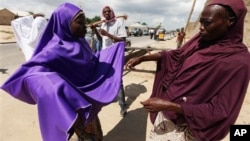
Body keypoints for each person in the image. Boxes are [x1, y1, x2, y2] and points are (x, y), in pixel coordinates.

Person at [126, 0, 250, 140]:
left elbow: (221, 110)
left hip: (186, 129)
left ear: (230, 21)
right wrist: (144, 58)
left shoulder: (238, 62)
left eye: (207, 23)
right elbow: (175, 55)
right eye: (201, 22)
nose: (201, 28)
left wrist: (172, 106)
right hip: (165, 116)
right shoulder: (200, 41)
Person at [1, 2, 125, 141]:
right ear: (64, 23)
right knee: (89, 137)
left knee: (96, 134)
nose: (85, 26)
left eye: (85, 22)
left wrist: (115, 51)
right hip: (72, 105)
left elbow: (93, 63)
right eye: (80, 23)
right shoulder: (53, 50)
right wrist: (54, 87)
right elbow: (31, 75)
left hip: (87, 100)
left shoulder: (81, 42)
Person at [91, 6, 128, 117]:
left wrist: (108, 34)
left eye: (108, 11)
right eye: (104, 12)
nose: (107, 13)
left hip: (116, 55)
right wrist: (95, 31)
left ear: (112, 12)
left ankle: (123, 106)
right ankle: (107, 97)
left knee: (118, 80)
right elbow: (101, 40)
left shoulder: (119, 22)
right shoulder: (103, 23)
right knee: (103, 77)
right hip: (105, 54)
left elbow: (123, 40)